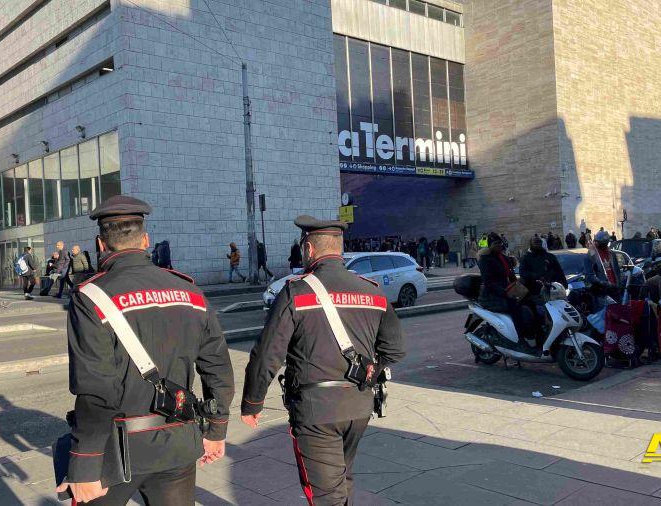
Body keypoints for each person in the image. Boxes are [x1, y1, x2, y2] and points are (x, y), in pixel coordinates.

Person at [57, 195, 234, 505]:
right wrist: (216, 430)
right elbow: (218, 367)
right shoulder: (189, 291)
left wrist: (84, 464)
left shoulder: (91, 297)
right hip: (179, 440)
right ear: (146, 240)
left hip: (116, 450)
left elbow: (96, 387)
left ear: (101, 245)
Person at [241, 215, 406, 506]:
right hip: (359, 406)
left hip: (316, 410)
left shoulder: (296, 291)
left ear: (308, 249)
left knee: (325, 493)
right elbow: (394, 350)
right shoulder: (372, 291)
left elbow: (268, 352)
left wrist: (252, 403)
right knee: (342, 479)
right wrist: (370, 368)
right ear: (340, 249)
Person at [477, 233, 534, 339]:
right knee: (515, 309)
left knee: (530, 302)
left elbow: (512, 277)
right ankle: (518, 337)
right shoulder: (486, 260)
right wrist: (503, 291)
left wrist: (522, 286)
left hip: (507, 290)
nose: (498, 245)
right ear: (490, 245)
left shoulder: (505, 258)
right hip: (492, 295)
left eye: (500, 243)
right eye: (495, 243)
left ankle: (533, 332)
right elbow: (488, 281)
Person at [519, 237, 568, 301]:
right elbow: (522, 273)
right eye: (535, 243)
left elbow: (559, 271)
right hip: (534, 291)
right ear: (531, 244)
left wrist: (564, 285)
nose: (538, 244)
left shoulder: (550, 256)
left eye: (539, 242)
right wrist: (536, 276)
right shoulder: (525, 258)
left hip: (552, 290)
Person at [584, 230, 623, 300]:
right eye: (604, 243)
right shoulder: (591, 255)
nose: (606, 245)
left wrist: (618, 285)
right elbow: (589, 276)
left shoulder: (611, 253)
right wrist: (603, 283)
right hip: (602, 293)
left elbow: (617, 271)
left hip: (615, 290)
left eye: (606, 243)